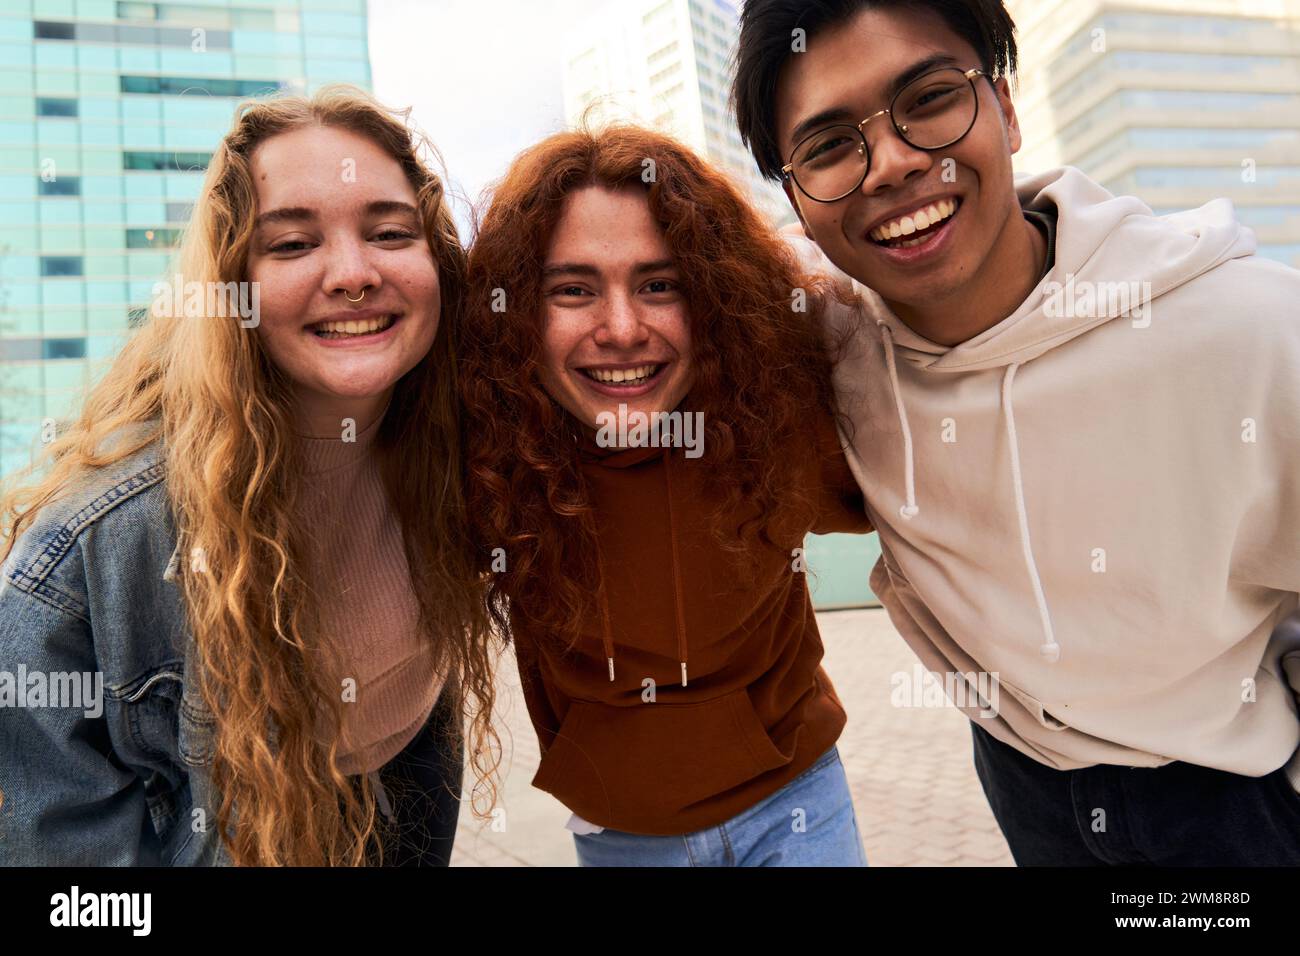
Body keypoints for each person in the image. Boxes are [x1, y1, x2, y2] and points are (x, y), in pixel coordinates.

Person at [732, 0, 1300, 864]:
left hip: (1225, 800)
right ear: (796, 201)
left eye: (928, 99)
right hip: (1022, 776)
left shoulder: (1246, 324)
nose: (889, 162)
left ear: (1005, 107)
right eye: (829, 147)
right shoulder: (828, 357)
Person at [0, 87, 499, 866]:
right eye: (293, 245)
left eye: (391, 233)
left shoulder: (468, 430)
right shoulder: (90, 551)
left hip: (411, 764)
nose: (353, 273)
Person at [461, 124, 873, 866]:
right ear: (518, 309)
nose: (622, 329)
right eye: (573, 290)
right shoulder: (489, 455)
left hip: (797, 802)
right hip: (622, 834)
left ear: (714, 297)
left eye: (659, 285)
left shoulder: (779, 412)